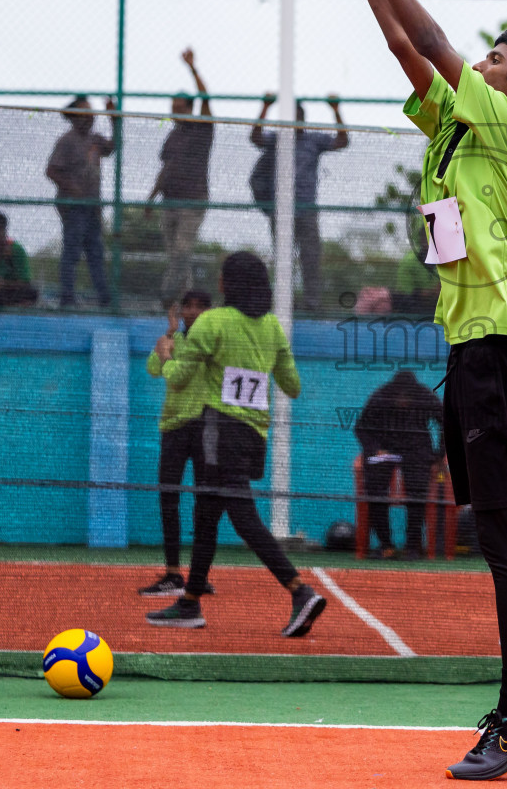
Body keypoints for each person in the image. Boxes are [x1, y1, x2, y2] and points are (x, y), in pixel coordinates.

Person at [329, 0, 507, 777]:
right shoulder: (456, 130)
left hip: (500, 347)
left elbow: (430, 39)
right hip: (475, 349)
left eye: (497, 58)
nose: (483, 62)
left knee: (503, 532)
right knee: (500, 529)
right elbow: (405, 45)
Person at [145, 253, 325, 636]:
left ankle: (299, 590)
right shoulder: (273, 328)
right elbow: (293, 386)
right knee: (206, 516)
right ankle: (190, 603)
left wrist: (165, 356)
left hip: (217, 432)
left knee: (243, 518)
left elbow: (177, 379)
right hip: (254, 437)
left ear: (226, 284)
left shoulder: (213, 322)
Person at [139, 288, 214, 598]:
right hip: (173, 428)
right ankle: (172, 574)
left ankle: (198, 577)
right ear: (181, 311)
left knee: (205, 504)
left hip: (204, 427)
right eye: (188, 306)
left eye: (200, 307)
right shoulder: (175, 339)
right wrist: (168, 336)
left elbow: (176, 376)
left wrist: (167, 359)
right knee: (168, 499)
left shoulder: (210, 342)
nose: (193, 312)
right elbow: (154, 369)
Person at [250, 95, 348, 312]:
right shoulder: (278, 139)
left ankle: (311, 304)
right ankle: (283, 303)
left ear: (302, 119)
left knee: (310, 257)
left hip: (306, 208)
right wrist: (265, 107)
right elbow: (255, 137)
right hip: (281, 210)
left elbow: (342, 141)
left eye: (295, 117)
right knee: (283, 258)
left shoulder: (314, 140)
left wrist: (336, 110)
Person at [149, 49, 215, 308]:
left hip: (192, 201)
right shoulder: (173, 135)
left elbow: (206, 97)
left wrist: (193, 68)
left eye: (179, 108)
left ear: (190, 109)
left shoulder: (202, 128)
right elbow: (166, 169)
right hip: (169, 201)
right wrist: (151, 197)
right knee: (176, 257)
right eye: (172, 108)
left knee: (182, 251)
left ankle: (166, 298)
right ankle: (187, 304)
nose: (175, 112)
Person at [355, 370, 443, 559]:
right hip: (386, 449)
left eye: (407, 397)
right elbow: (361, 426)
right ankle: (385, 545)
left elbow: (447, 424)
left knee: (417, 492)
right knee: (375, 488)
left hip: (417, 450)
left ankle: (412, 546)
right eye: (399, 396)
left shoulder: (426, 396)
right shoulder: (380, 396)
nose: (402, 400)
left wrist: (438, 456)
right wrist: (374, 449)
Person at [46, 95, 118, 308]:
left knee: (95, 251)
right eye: (85, 113)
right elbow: (51, 170)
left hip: (92, 206)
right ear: (75, 117)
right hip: (74, 206)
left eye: (92, 113)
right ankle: (67, 297)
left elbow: (112, 147)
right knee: (72, 250)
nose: (91, 117)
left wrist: (114, 118)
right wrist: (73, 189)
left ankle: (104, 297)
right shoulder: (67, 141)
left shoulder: (94, 139)